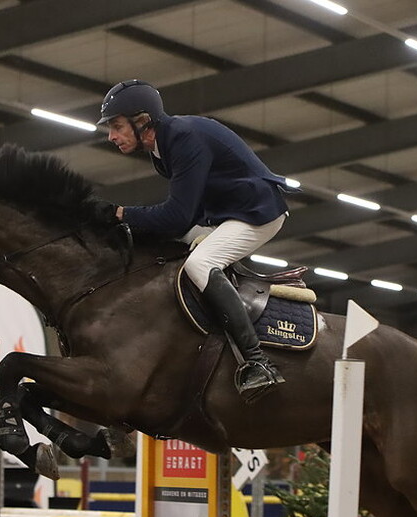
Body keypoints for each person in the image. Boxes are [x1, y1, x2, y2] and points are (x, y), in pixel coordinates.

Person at [96, 79, 295, 404]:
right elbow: (185, 219)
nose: (111, 137)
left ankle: (258, 362)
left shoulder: (182, 138)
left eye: (117, 126)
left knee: (200, 264)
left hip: (256, 213)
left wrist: (122, 214)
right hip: (222, 214)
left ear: (142, 120)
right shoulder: (161, 150)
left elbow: (177, 217)